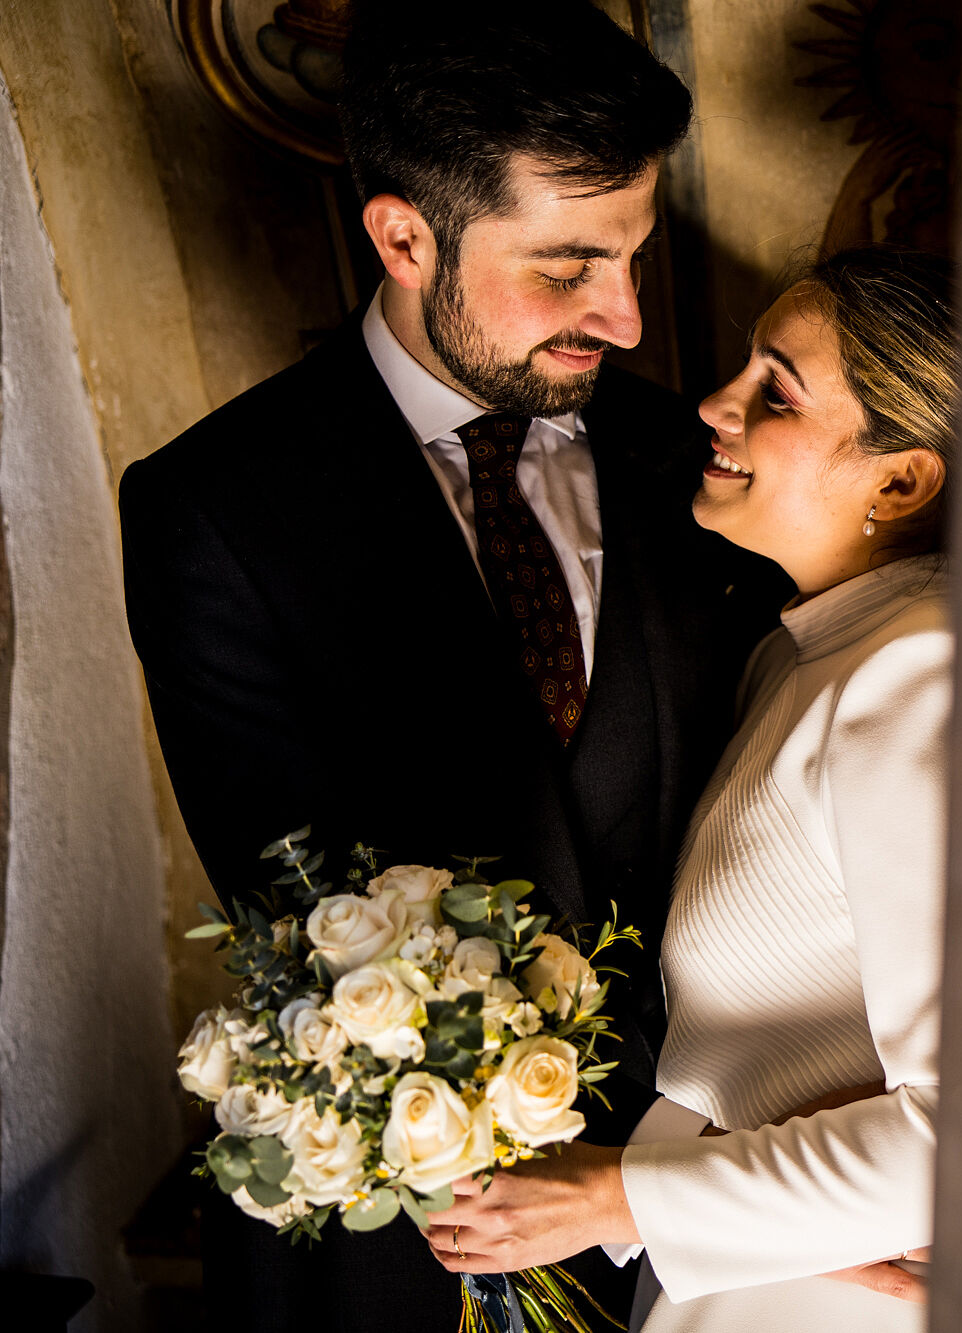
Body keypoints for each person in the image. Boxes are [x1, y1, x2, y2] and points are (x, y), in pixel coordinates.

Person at [119, 3, 785, 1327]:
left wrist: (739, 1192)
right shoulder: (218, 509)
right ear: (406, 237)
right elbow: (302, 895)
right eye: (569, 267)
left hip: (727, 1199)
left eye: (637, 259)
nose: (630, 320)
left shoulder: (695, 463)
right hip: (422, 1227)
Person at [426, 246, 957, 1332]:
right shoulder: (798, 656)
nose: (713, 402)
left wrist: (612, 1195)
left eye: (776, 391)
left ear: (898, 479)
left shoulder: (924, 678)